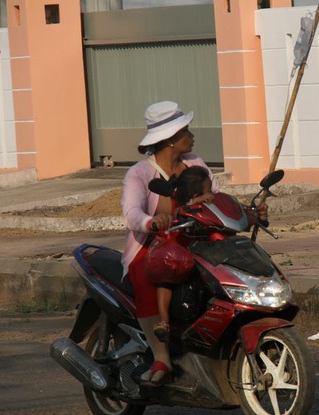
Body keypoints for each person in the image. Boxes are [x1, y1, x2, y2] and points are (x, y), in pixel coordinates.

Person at [121, 101, 219, 387]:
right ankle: (161, 356)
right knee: (147, 274)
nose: (192, 136)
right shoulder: (139, 173)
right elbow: (131, 212)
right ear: (170, 141)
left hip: (195, 242)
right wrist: (150, 223)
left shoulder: (195, 164)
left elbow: (217, 195)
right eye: (186, 131)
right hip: (152, 248)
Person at [152, 166, 214, 343]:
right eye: (207, 192)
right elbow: (181, 211)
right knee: (166, 277)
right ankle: (163, 321)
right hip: (177, 251)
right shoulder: (183, 209)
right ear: (195, 195)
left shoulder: (208, 205)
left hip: (202, 253)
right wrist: (199, 201)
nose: (211, 195)